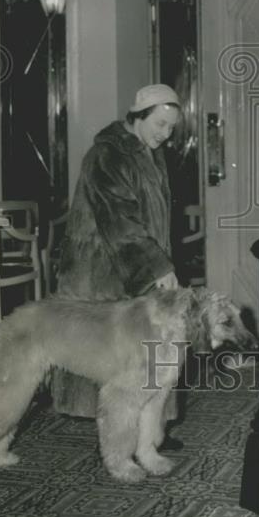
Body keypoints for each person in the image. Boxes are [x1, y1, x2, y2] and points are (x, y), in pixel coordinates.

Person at [51, 84, 181, 418]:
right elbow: (120, 222)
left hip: (134, 263)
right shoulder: (108, 155)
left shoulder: (147, 150)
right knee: (108, 358)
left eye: (171, 127)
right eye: (160, 125)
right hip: (101, 271)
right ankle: (118, 433)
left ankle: (148, 429)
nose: (166, 135)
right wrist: (157, 267)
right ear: (138, 117)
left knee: (144, 348)